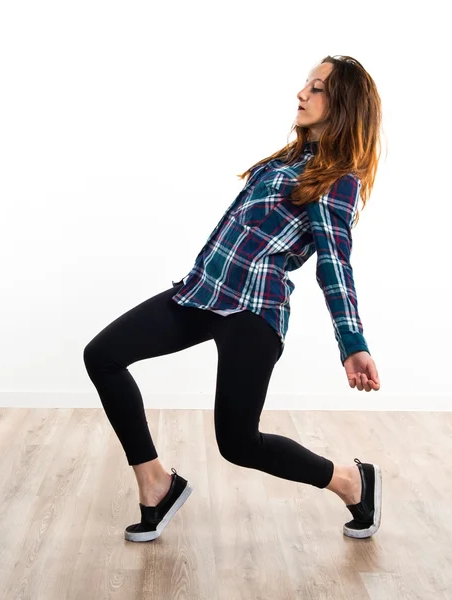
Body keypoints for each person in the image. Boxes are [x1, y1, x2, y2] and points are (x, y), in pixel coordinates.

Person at [84, 55, 383, 543]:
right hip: (203, 291)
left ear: (344, 104)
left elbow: (334, 264)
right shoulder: (291, 159)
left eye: (317, 88)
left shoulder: (338, 178)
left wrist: (352, 341)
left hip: (253, 312)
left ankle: (350, 480)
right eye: (306, 85)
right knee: (103, 355)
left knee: (238, 442)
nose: (302, 94)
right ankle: (156, 482)